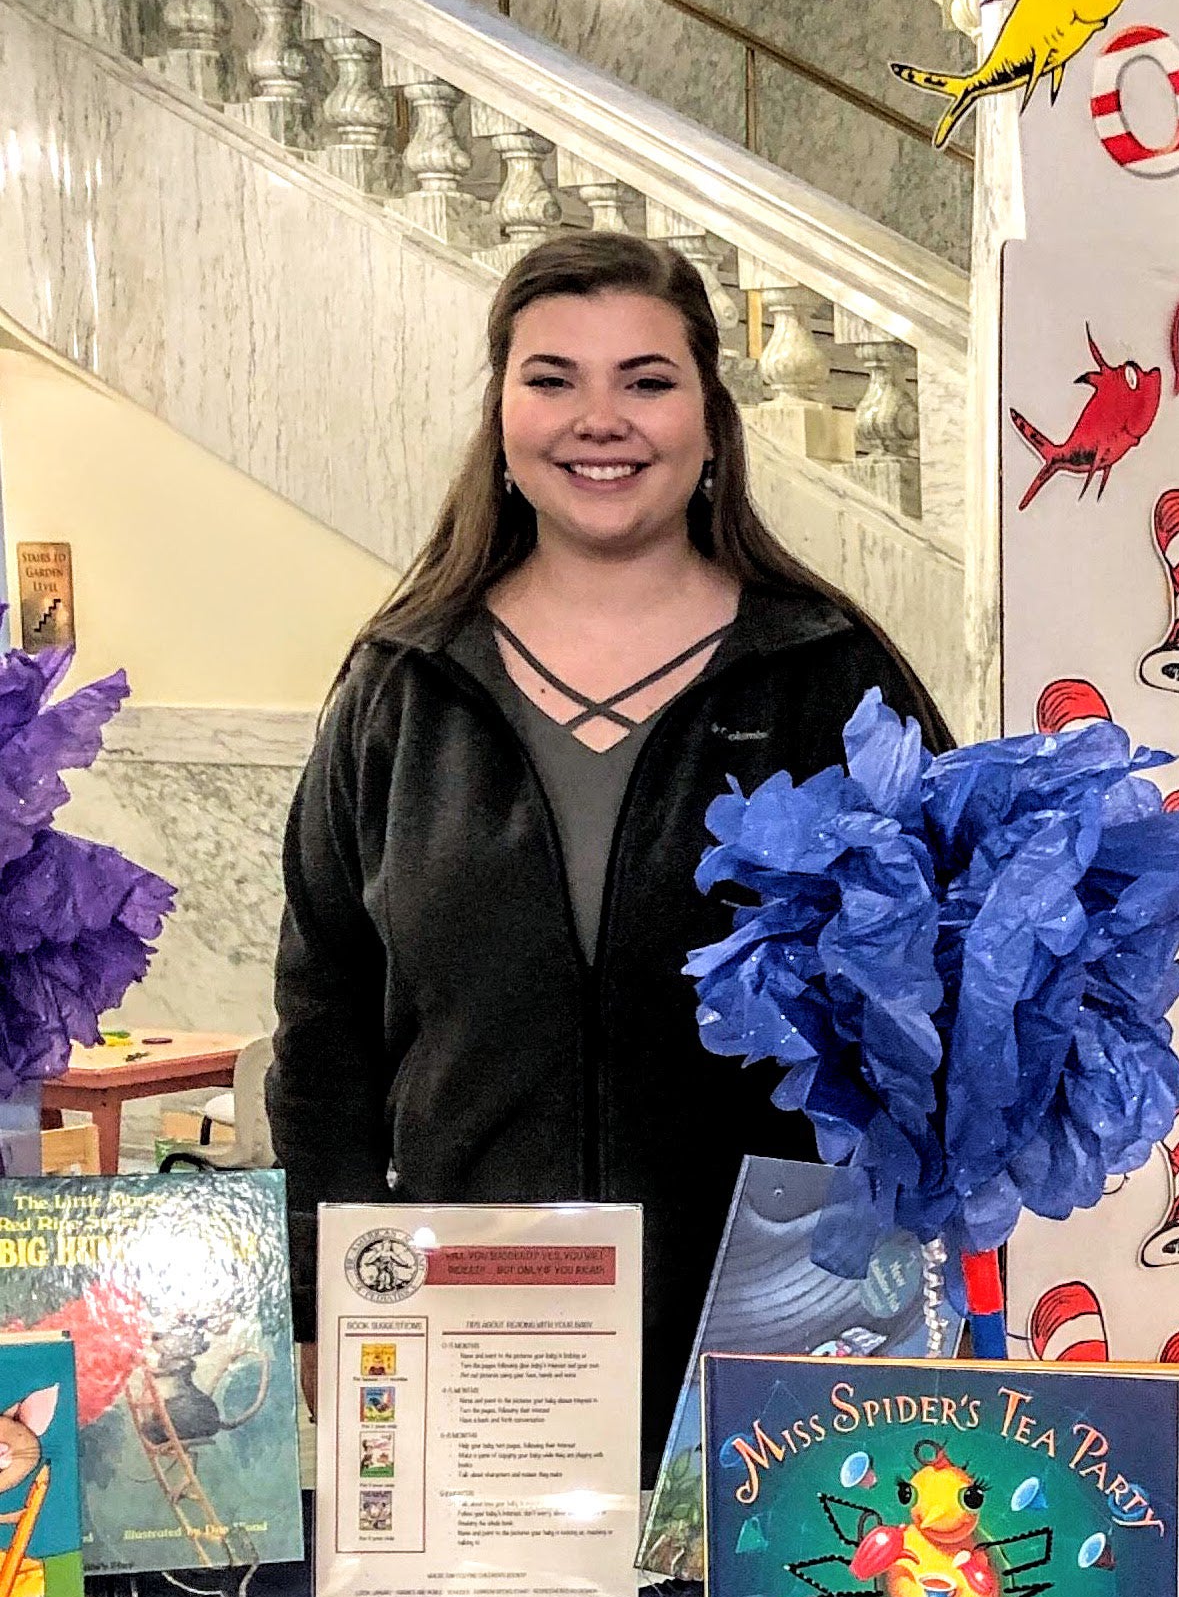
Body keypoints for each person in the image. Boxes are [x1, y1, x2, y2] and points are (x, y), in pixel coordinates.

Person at [269, 230, 948, 1452]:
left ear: (707, 420)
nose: (600, 420)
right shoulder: (402, 686)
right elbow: (323, 1029)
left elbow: (941, 995)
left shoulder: (826, 673)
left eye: (645, 379)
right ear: (501, 416)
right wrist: (319, 1298)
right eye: (552, 379)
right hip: (474, 1355)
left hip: (780, 1330)